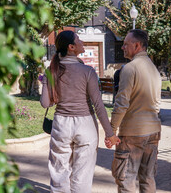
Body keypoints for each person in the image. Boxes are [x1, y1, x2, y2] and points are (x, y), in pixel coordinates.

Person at [40, 30, 120, 193]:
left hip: (61, 124)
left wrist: (44, 82)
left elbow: (45, 103)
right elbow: (98, 105)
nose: (82, 41)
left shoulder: (52, 71)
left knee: (59, 174)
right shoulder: (87, 71)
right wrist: (110, 133)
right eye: (79, 39)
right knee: (82, 176)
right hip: (86, 125)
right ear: (71, 47)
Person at [106, 29, 162, 192]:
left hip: (132, 133)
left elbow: (121, 103)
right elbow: (157, 103)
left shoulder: (130, 68)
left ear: (137, 45)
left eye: (125, 44)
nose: (122, 47)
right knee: (148, 178)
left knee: (126, 179)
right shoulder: (153, 68)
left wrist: (112, 131)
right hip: (153, 131)